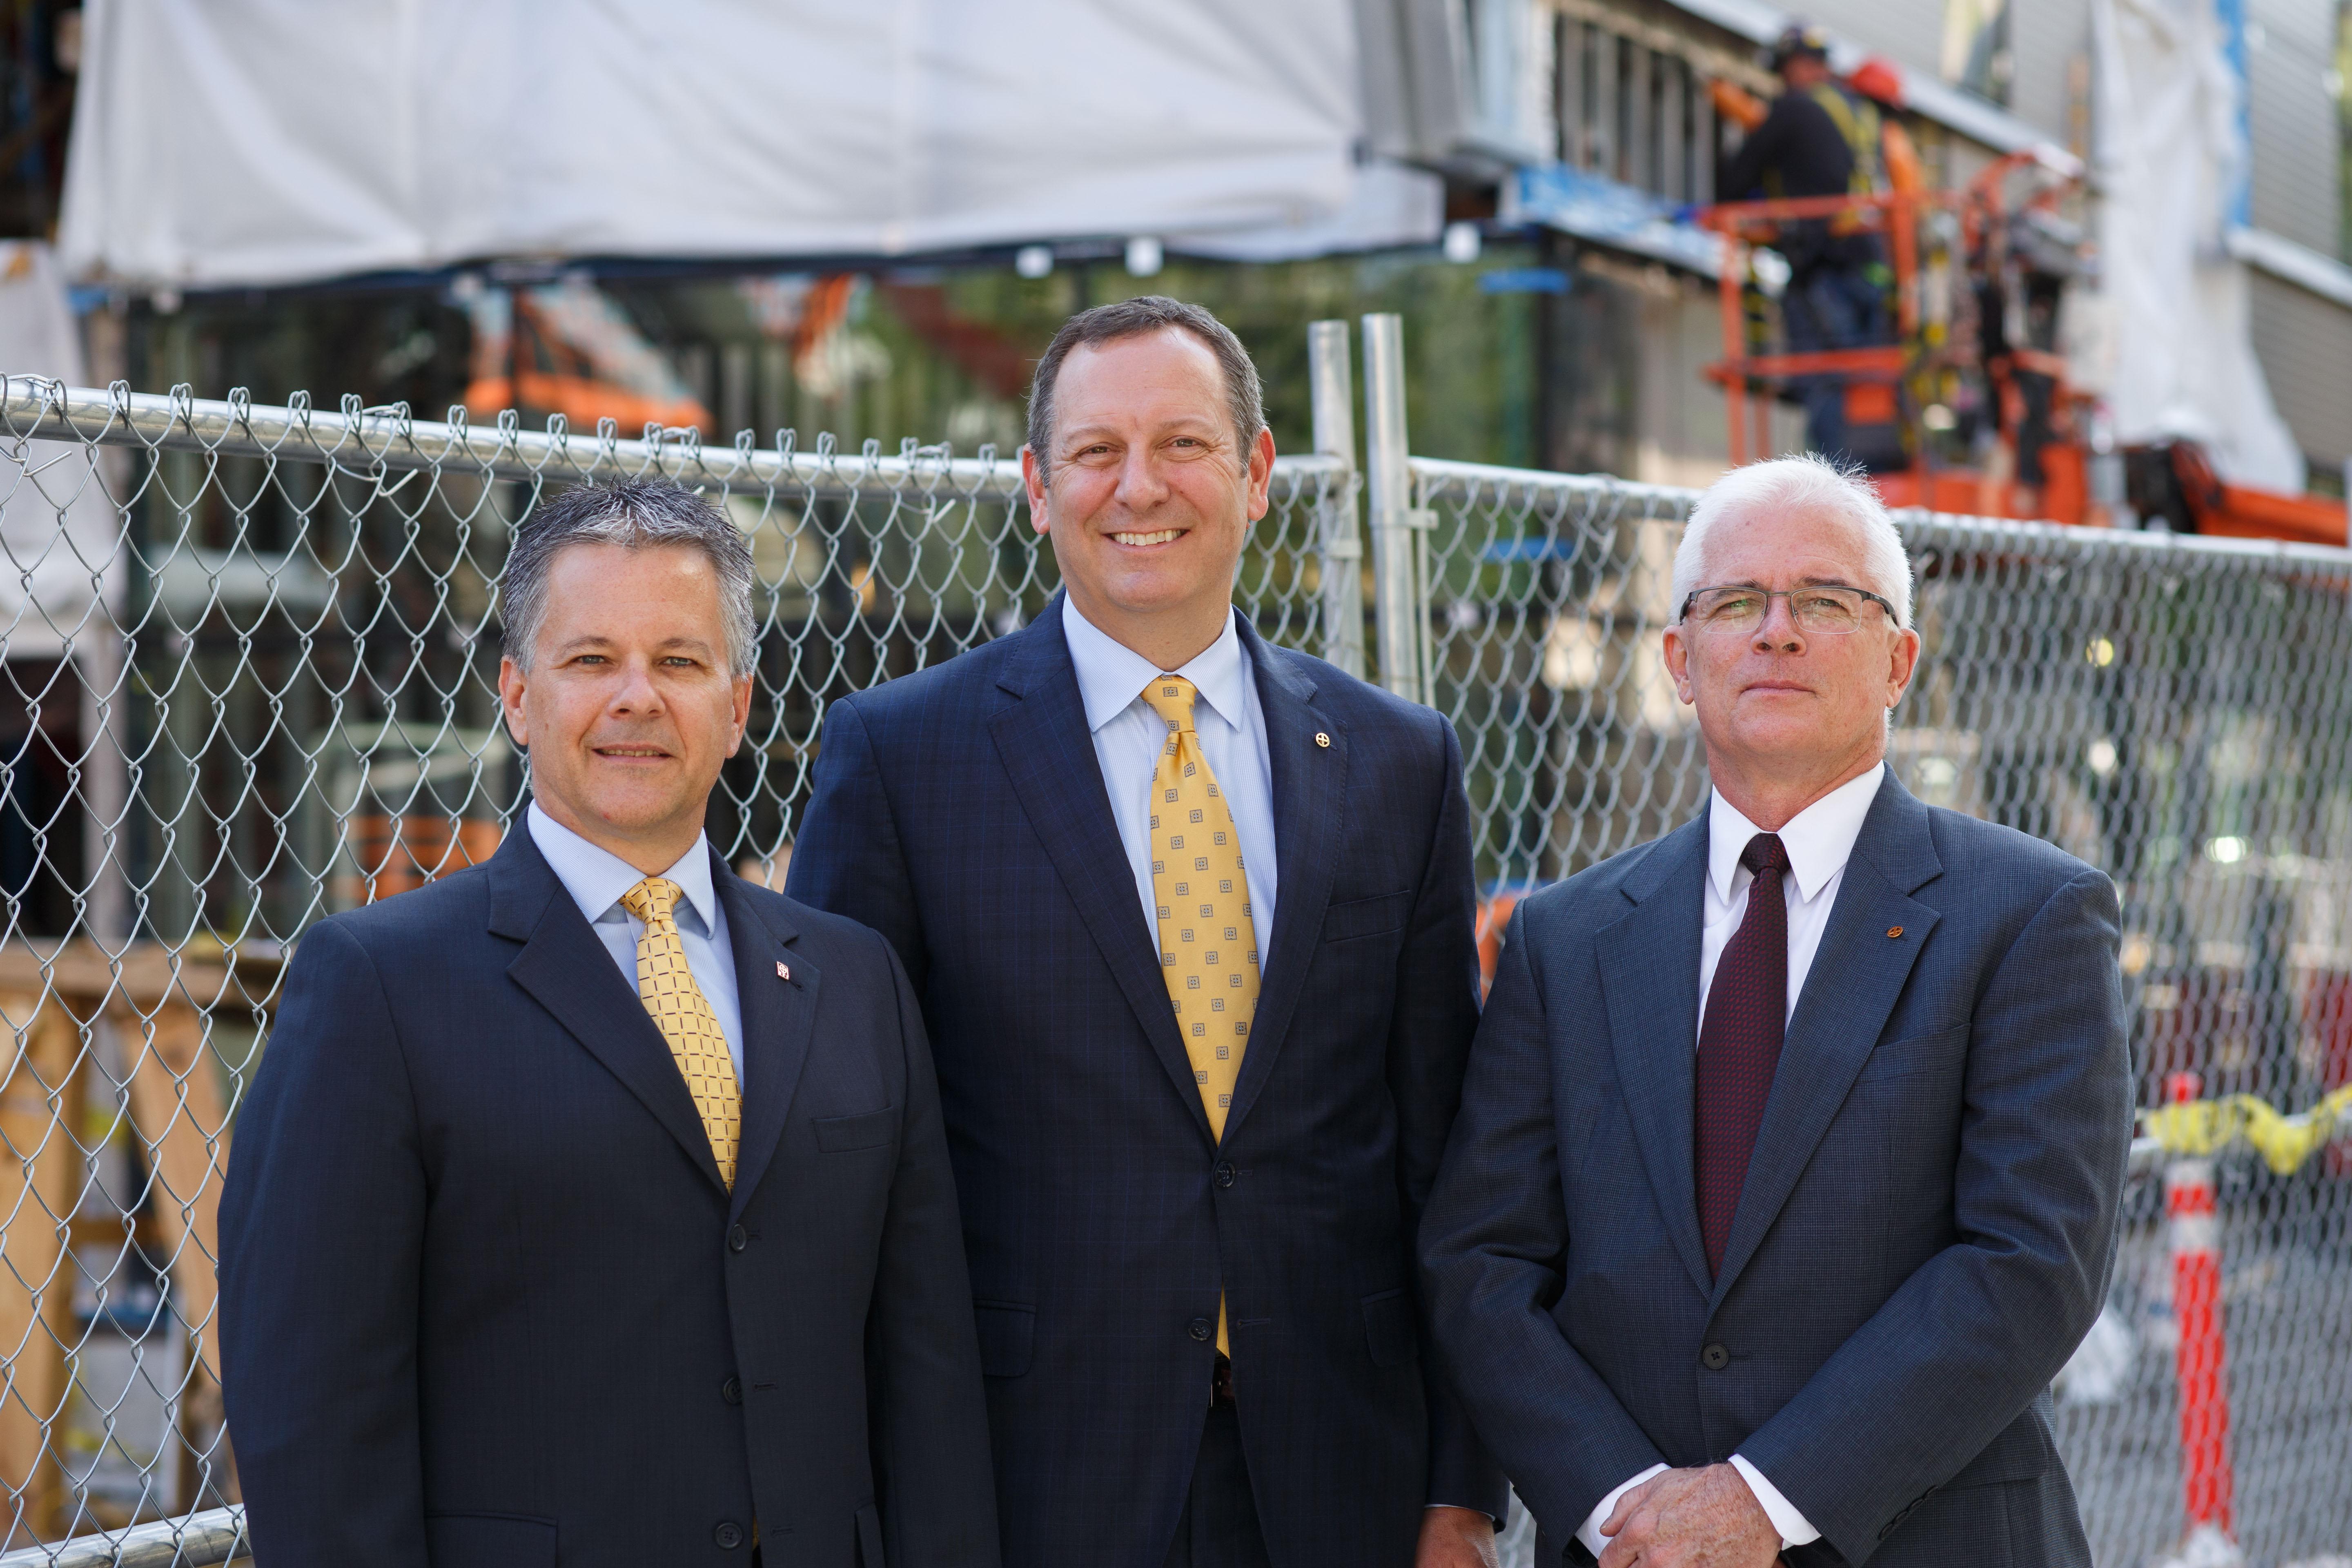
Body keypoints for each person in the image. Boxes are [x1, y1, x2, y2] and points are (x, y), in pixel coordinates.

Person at [788, 296, 1505, 1568]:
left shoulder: (1398, 760)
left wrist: (1461, 1480)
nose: (1138, 488)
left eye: (1181, 443)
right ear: (1034, 484)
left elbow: (1443, 1151)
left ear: (1259, 472)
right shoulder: (901, 756)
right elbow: (847, 1154)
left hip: (1345, 1473)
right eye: (1095, 451)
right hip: (1029, 1473)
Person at [220, 481, 997, 1568]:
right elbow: (313, 1413)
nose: (637, 697)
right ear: (519, 696)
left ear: (738, 706)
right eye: (591, 660)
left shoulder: (855, 979)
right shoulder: (376, 989)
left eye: (679, 661)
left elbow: (929, 1380)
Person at [1420, 455, 2131, 1568]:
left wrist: (1764, 1498)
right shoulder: (1563, 940)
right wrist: (1620, 1502)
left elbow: (2030, 1262)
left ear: (1899, 659)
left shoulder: (2030, 913)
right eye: (1737, 602)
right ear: (1681, 660)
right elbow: (1484, 1261)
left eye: (1828, 601)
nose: (1778, 631)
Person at [1717, 26, 1895, 469]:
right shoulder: (1858, 112)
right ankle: (1869, 479)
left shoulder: (1794, 111)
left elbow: (1736, 182)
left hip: (1825, 265)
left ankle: (1833, 488)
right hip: (1870, 263)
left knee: (1823, 381)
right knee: (1862, 382)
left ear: (1795, 67)